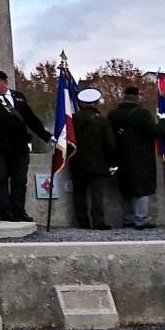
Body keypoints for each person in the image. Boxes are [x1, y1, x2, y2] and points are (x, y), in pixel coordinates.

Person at [0, 69, 53, 222]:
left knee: (20, 181)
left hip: (19, 147)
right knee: (1, 179)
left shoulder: (18, 97)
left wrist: (47, 136)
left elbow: (31, 119)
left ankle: (19, 211)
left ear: (4, 83)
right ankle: (6, 212)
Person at [108, 85, 165, 230]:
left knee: (125, 189)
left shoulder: (113, 114)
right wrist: (163, 123)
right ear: (137, 98)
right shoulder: (143, 114)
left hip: (120, 156)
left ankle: (128, 220)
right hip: (142, 158)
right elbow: (154, 132)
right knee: (143, 189)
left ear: (124, 97)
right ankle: (140, 220)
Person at [70, 88, 116, 230]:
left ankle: (82, 222)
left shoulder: (71, 120)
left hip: (77, 162)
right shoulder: (102, 120)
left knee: (79, 193)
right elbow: (110, 144)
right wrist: (112, 162)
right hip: (98, 163)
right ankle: (98, 222)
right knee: (97, 194)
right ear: (95, 103)